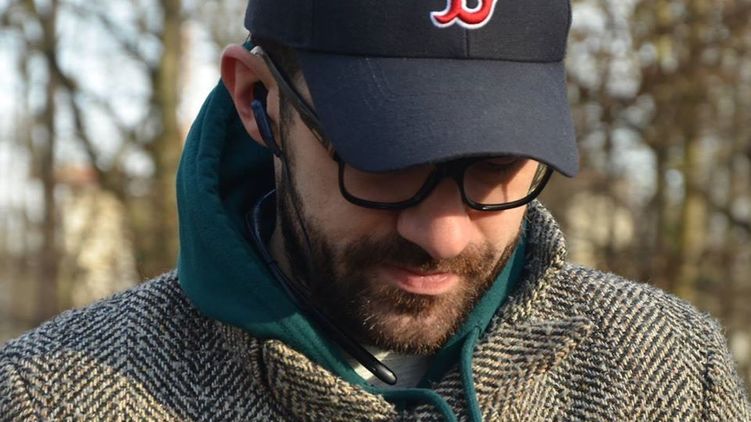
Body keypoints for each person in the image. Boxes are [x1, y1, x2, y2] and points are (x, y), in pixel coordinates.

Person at [1, 0, 749, 420]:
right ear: (258, 101)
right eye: (385, 161)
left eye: (495, 167)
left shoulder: (669, 370)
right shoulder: (54, 399)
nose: (442, 234)